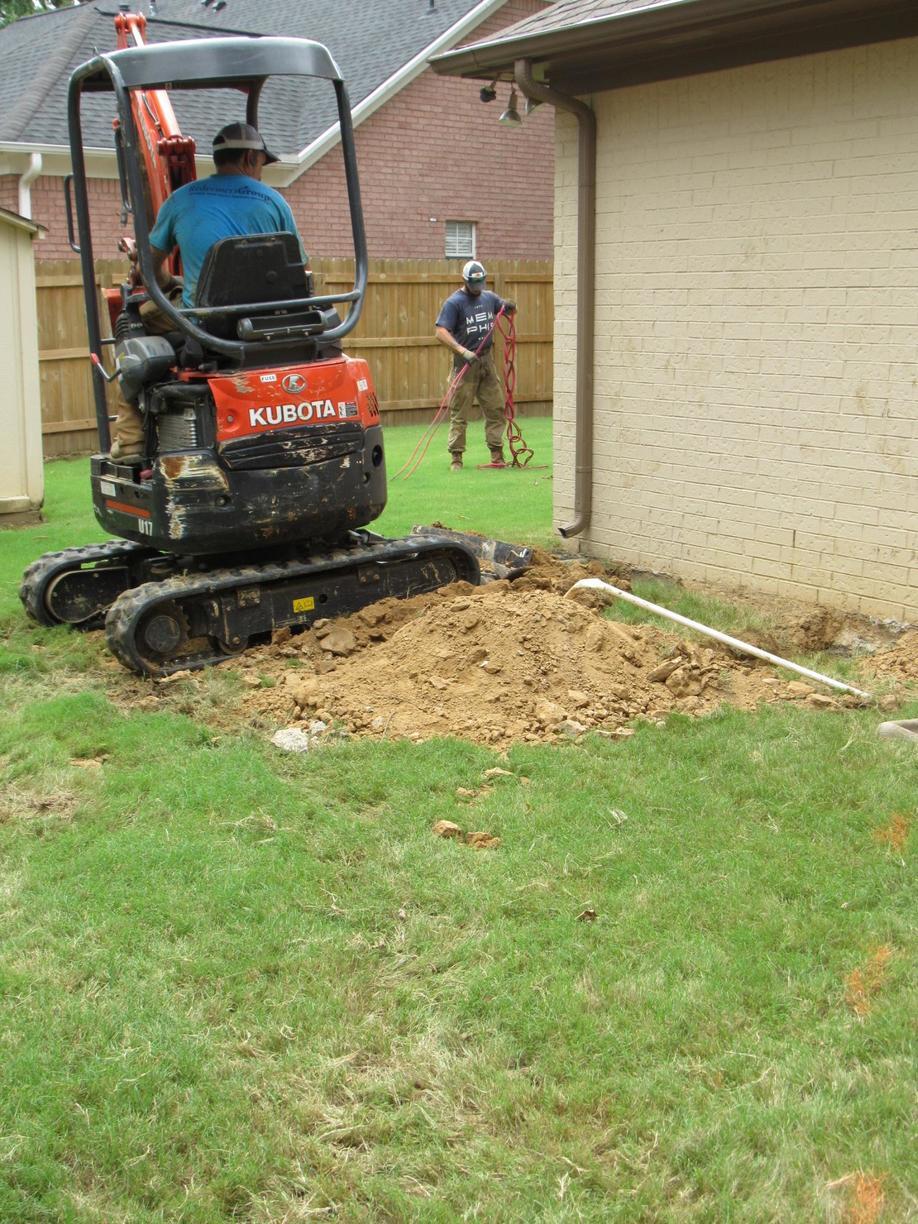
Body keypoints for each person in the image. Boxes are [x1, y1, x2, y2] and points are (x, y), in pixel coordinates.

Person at [110, 122, 308, 462]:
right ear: (249, 158)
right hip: (270, 324)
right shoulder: (275, 202)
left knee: (131, 325)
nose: (259, 173)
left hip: (205, 323)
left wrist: (167, 279)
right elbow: (299, 267)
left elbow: (148, 270)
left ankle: (130, 440)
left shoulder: (181, 200)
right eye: (261, 165)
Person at [434, 260, 516, 471]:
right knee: (459, 413)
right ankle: (456, 459)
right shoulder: (454, 303)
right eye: (474, 283)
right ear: (465, 281)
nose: (478, 287)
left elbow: (505, 308)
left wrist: (509, 306)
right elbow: (440, 332)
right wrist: (462, 351)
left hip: (486, 362)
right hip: (464, 364)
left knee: (496, 408)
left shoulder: (489, 298)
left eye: (481, 282)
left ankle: (497, 456)